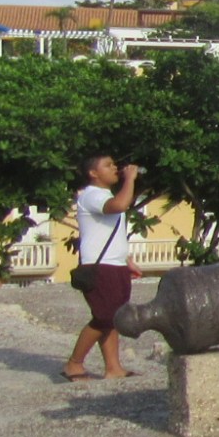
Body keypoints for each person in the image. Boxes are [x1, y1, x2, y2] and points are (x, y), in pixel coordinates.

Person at [63, 154, 143, 381]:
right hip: (100, 265)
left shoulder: (105, 195)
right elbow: (119, 205)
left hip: (114, 263)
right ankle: (74, 364)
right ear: (93, 173)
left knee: (114, 316)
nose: (115, 168)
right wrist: (130, 179)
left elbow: (109, 233)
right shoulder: (92, 195)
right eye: (108, 165)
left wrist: (126, 260)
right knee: (105, 316)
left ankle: (113, 367)